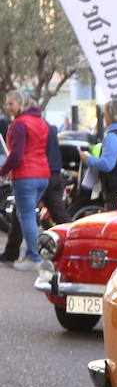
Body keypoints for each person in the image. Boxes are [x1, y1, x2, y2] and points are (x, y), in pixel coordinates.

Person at [0, 90, 53, 270]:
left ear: (21, 103)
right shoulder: (41, 123)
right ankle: (35, 254)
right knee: (29, 216)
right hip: (42, 175)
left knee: (27, 216)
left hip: (25, 176)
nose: (9, 107)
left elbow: (16, 154)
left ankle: (34, 257)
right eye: (7, 104)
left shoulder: (19, 124)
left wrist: (2, 170)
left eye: (11, 104)